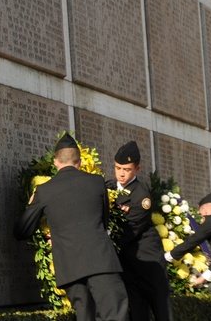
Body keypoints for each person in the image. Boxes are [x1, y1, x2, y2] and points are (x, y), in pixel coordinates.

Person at [14, 132, 128, 321]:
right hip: (100, 261)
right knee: (114, 314)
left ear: (56, 162)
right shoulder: (97, 182)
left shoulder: (44, 191)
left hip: (70, 268)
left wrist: (31, 205)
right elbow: (104, 220)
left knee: (85, 317)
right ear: (80, 162)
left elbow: (21, 230)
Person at [107, 141, 173, 321]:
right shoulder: (109, 188)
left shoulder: (142, 197)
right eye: (118, 167)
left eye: (126, 169)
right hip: (128, 265)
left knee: (162, 312)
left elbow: (127, 232)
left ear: (137, 169)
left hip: (148, 263)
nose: (121, 173)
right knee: (137, 312)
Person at [166, 190, 211, 321]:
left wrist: (167, 257)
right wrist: (204, 277)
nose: (202, 218)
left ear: (204, 210)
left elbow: (192, 241)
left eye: (201, 215)